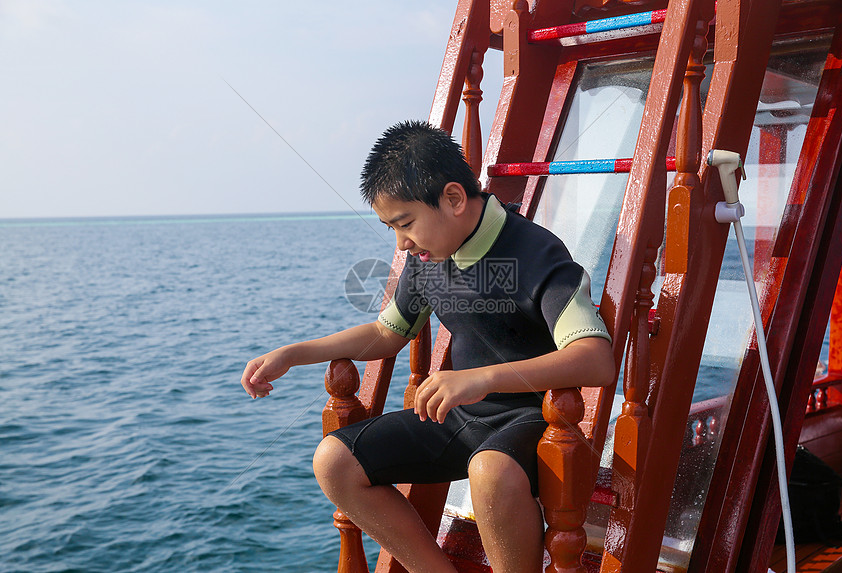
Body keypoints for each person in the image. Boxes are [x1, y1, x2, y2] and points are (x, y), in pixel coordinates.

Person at [240, 120, 615, 573]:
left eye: (405, 224)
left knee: (489, 470)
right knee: (335, 460)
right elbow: (387, 333)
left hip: (531, 419)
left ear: (454, 199)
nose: (401, 243)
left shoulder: (536, 254)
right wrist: (294, 353)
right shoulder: (428, 258)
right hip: (459, 419)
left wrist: (482, 378)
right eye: (391, 228)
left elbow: (595, 359)